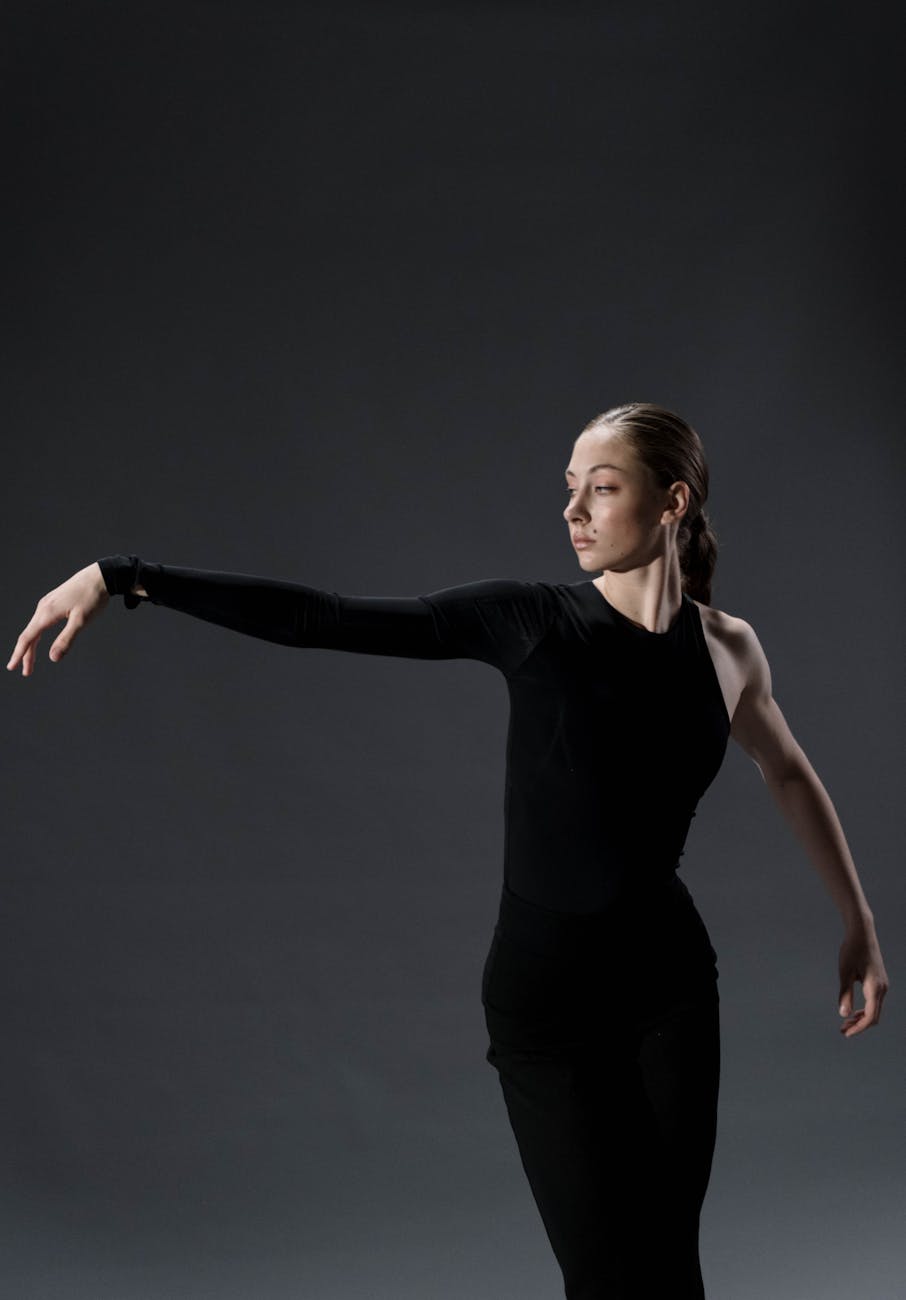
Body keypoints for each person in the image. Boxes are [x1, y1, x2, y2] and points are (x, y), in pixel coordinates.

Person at [7, 401, 889, 1298]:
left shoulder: (728, 648)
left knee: (667, 1264)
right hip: (547, 1011)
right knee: (606, 1274)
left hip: (668, 990)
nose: (573, 510)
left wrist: (856, 921)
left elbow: (788, 771)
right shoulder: (531, 620)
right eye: (569, 489)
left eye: (602, 488)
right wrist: (124, 576)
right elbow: (325, 617)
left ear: (673, 502)